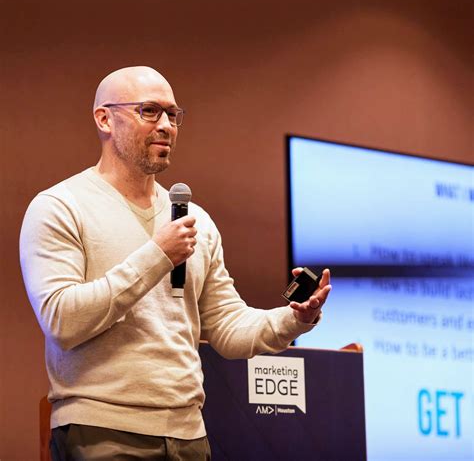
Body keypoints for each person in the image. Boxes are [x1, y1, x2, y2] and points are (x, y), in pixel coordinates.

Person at [20, 66, 332, 460]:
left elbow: (227, 328)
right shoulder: (60, 207)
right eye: (150, 111)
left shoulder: (194, 220)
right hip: (101, 432)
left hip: (188, 435)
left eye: (172, 114)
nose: (166, 126)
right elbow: (63, 320)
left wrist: (294, 319)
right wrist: (158, 255)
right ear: (104, 119)